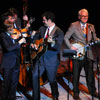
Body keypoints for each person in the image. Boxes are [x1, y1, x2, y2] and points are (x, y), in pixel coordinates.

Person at [64, 8, 99, 100]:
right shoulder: (73, 25)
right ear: (79, 16)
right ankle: (76, 92)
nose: (85, 18)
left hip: (89, 54)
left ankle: (92, 91)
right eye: (83, 16)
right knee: (76, 74)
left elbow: (94, 38)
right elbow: (66, 37)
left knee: (90, 74)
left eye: (86, 16)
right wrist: (71, 47)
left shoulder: (91, 26)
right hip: (78, 54)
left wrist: (97, 40)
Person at [30, 11, 64, 100]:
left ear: (49, 20)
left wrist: (52, 42)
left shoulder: (59, 32)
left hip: (51, 60)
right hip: (40, 58)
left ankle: (55, 95)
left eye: (44, 20)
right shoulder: (42, 28)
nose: (43, 21)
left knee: (51, 80)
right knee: (35, 76)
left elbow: (57, 46)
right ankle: (36, 98)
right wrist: (34, 44)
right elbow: (35, 38)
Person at [0, 20, 26, 100]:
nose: (13, 30)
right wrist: (19, 43)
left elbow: (17, 44)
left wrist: (22, 41)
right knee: (6, 83)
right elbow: (8, 48)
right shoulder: (2, 35)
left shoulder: (14, 34)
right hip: (8, 63)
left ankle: (12, 97)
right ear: (6, 29)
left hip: (16, 62)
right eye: (11, 29)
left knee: (14, 83)